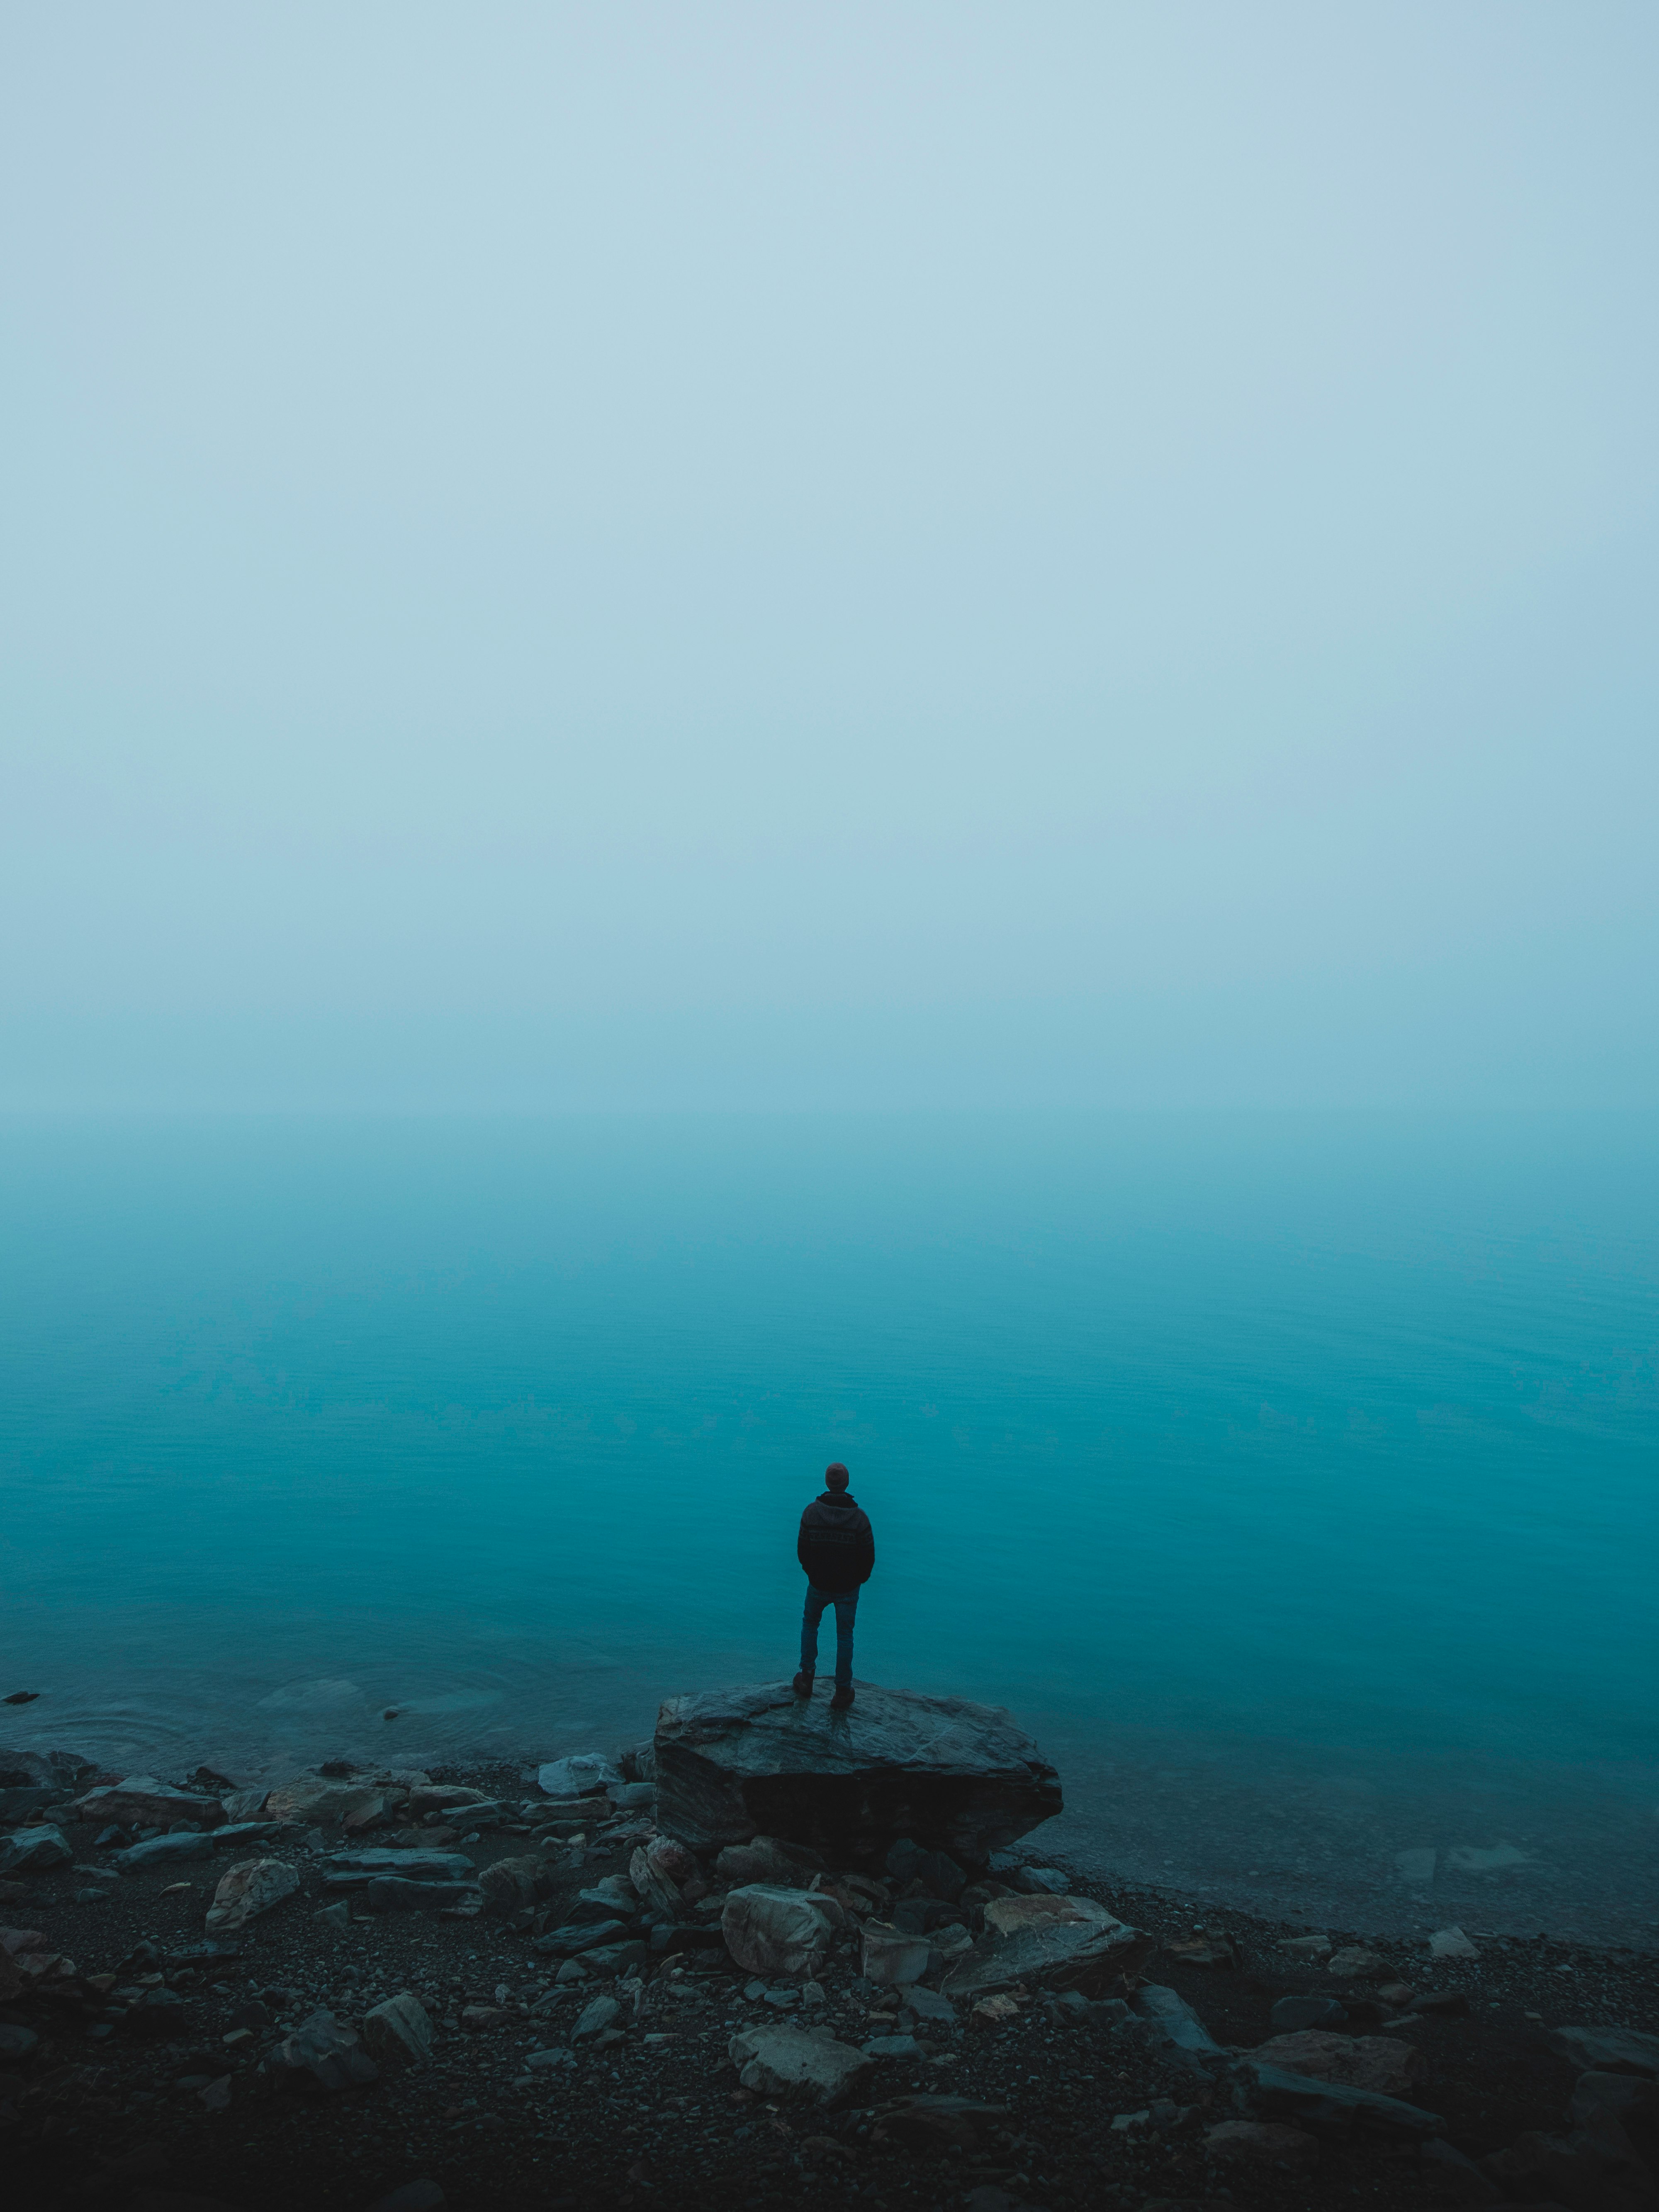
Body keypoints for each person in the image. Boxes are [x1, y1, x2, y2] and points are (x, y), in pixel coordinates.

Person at [793, 1461, 875, 1709]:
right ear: (846, 1484)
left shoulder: (810, 1513)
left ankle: (807, 1679)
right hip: (848, 1588)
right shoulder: (859, 1519)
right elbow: (868, 1557)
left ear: (827, 1483)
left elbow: (802, 1552)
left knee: (810, 1625)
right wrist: (857, 1580)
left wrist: (813, 1574)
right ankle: (841, 1691)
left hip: (818, 1584)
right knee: (845, 1636)